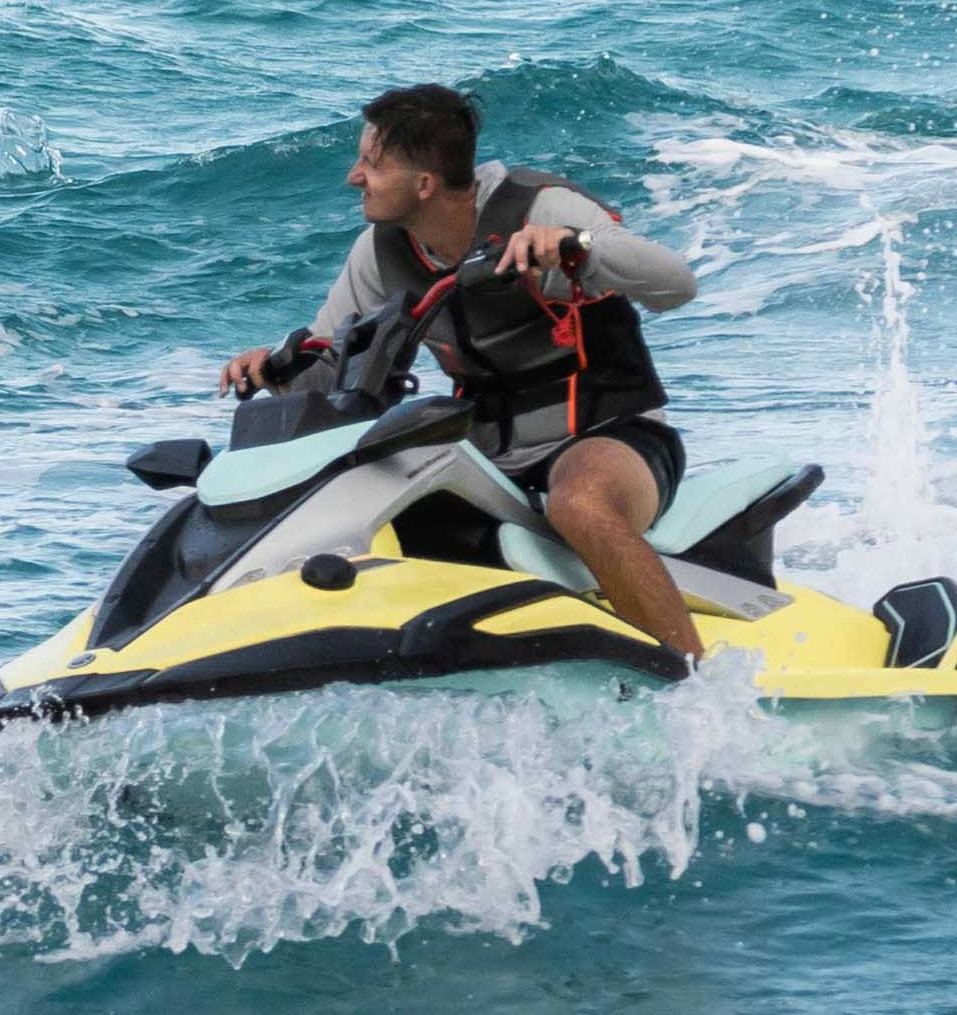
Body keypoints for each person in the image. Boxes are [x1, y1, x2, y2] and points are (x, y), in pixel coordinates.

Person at [218, 82, 708, 668]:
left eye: (372, 164)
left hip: (609, 436)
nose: (354, 177)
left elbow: (677, 284)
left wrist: (579, 250)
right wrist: (271, 371)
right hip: (484, 459)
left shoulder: (541, 210)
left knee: (578, 503)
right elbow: (330, 368)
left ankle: (689, 678)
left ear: (424, 184)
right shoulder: (381, 253)